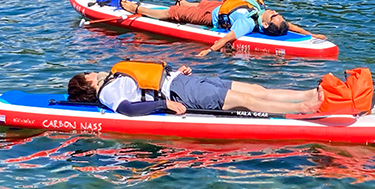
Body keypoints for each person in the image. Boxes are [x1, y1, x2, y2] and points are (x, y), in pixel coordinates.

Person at [118, 0, 326, 57]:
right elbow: (290, 26)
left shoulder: (246, 23)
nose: (274, 12)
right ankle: (184, 1)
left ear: (264, 26)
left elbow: (227, 38)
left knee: (173, 13)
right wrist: (313, 35)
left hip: (211, 17)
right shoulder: (264, 15)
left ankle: (136, 9)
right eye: (276, 14)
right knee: (199, 3)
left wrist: (209, 50)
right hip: (222, 5)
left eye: (274, 16)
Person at [67, 61, 322, 116]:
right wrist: (163, 104)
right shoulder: (107, 92)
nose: (92, 71)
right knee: (244, 99)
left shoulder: (113, 75)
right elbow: (127, 109)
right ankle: (302, 109)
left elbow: (150, 76)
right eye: (87, 73)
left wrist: (178, 70)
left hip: (183, 80)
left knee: (255, 88)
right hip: (181, 94)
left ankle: (308, 94)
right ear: (88, 83)